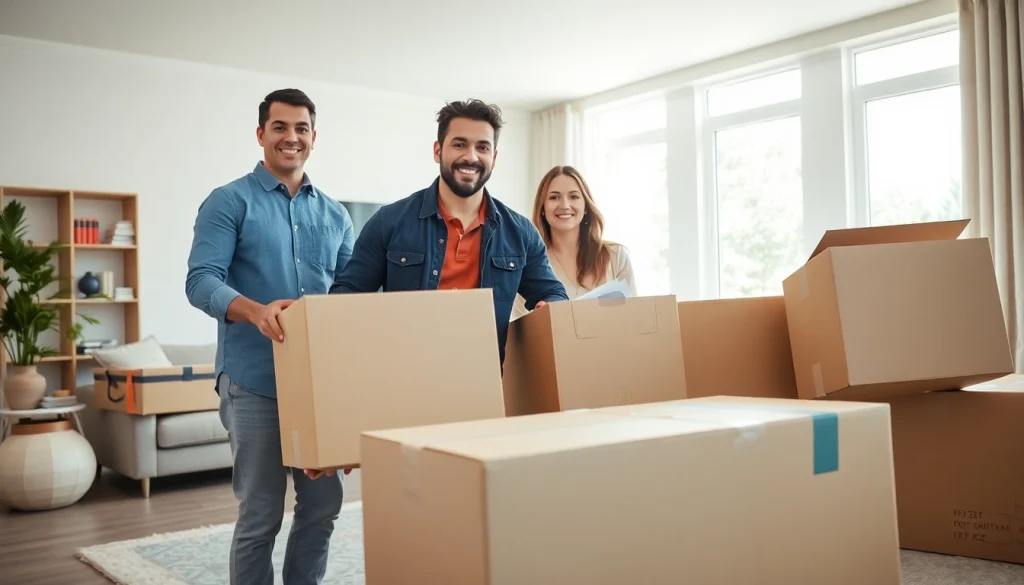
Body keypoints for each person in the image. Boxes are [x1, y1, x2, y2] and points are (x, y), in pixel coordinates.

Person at [184, 88, 354, 585]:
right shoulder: (228, 201)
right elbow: (201, 281)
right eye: (280, 127)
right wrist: (256, 312)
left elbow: (350, 295)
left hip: (318, 387)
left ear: (314, 137)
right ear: (261, 134)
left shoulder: (337, 215)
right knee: (261, 515)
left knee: (322, 507)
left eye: (302, 128)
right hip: (253, 380)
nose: (291, 137)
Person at [328, 98, 568, 361]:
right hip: (403, 370)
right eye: (459, 144)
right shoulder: (389, 221)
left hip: (484, 374)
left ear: (494, 158)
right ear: (438, 150)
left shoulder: (521, 233)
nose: (471, 156)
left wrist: (551, 308)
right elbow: (346, 295)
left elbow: (553, 294)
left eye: (482, 147)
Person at [511, 165, 637, 319]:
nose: (564, 205)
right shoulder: (530, 263)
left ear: (586, 206)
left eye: (574, 197)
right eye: (554, 197)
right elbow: (517, 325)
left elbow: (634, 318)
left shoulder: (616, 255)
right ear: (542, 208)